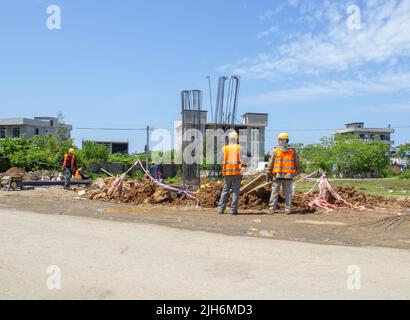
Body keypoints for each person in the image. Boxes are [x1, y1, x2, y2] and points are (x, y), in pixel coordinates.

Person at [267, 133, 301, 215]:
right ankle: (288, 209)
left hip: (277, 175)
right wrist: (297, 172)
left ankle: (272, 209)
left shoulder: (275, 150)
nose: (279, 141)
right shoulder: (293, 151)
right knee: (288, 193)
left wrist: (269, 172)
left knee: (274, 192)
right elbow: (297, 162)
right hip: (288, 175)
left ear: (282, 140)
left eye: (279, 140)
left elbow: (271, 163)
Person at [218, 131, 243, 216]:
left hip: (227, 172)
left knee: (225, 190)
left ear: (229, 139)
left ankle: (221, 209)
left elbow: (220, 159)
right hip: (237, 172)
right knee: (235, 191)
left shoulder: (224, 148)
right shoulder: (240, 148)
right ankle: (233, 210)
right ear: (237, 139)